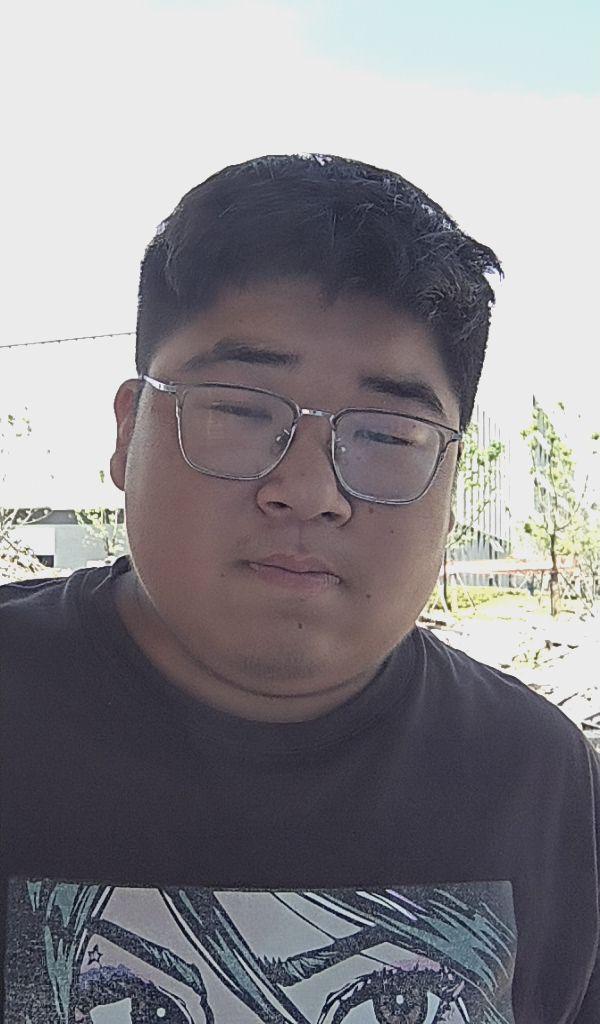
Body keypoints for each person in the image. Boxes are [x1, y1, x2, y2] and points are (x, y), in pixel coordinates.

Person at [0, 154, 597, 1023]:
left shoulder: (534, 775)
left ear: (451, 474)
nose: (310, 491)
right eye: (241, 410)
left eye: (386, 435)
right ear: (129, 434)